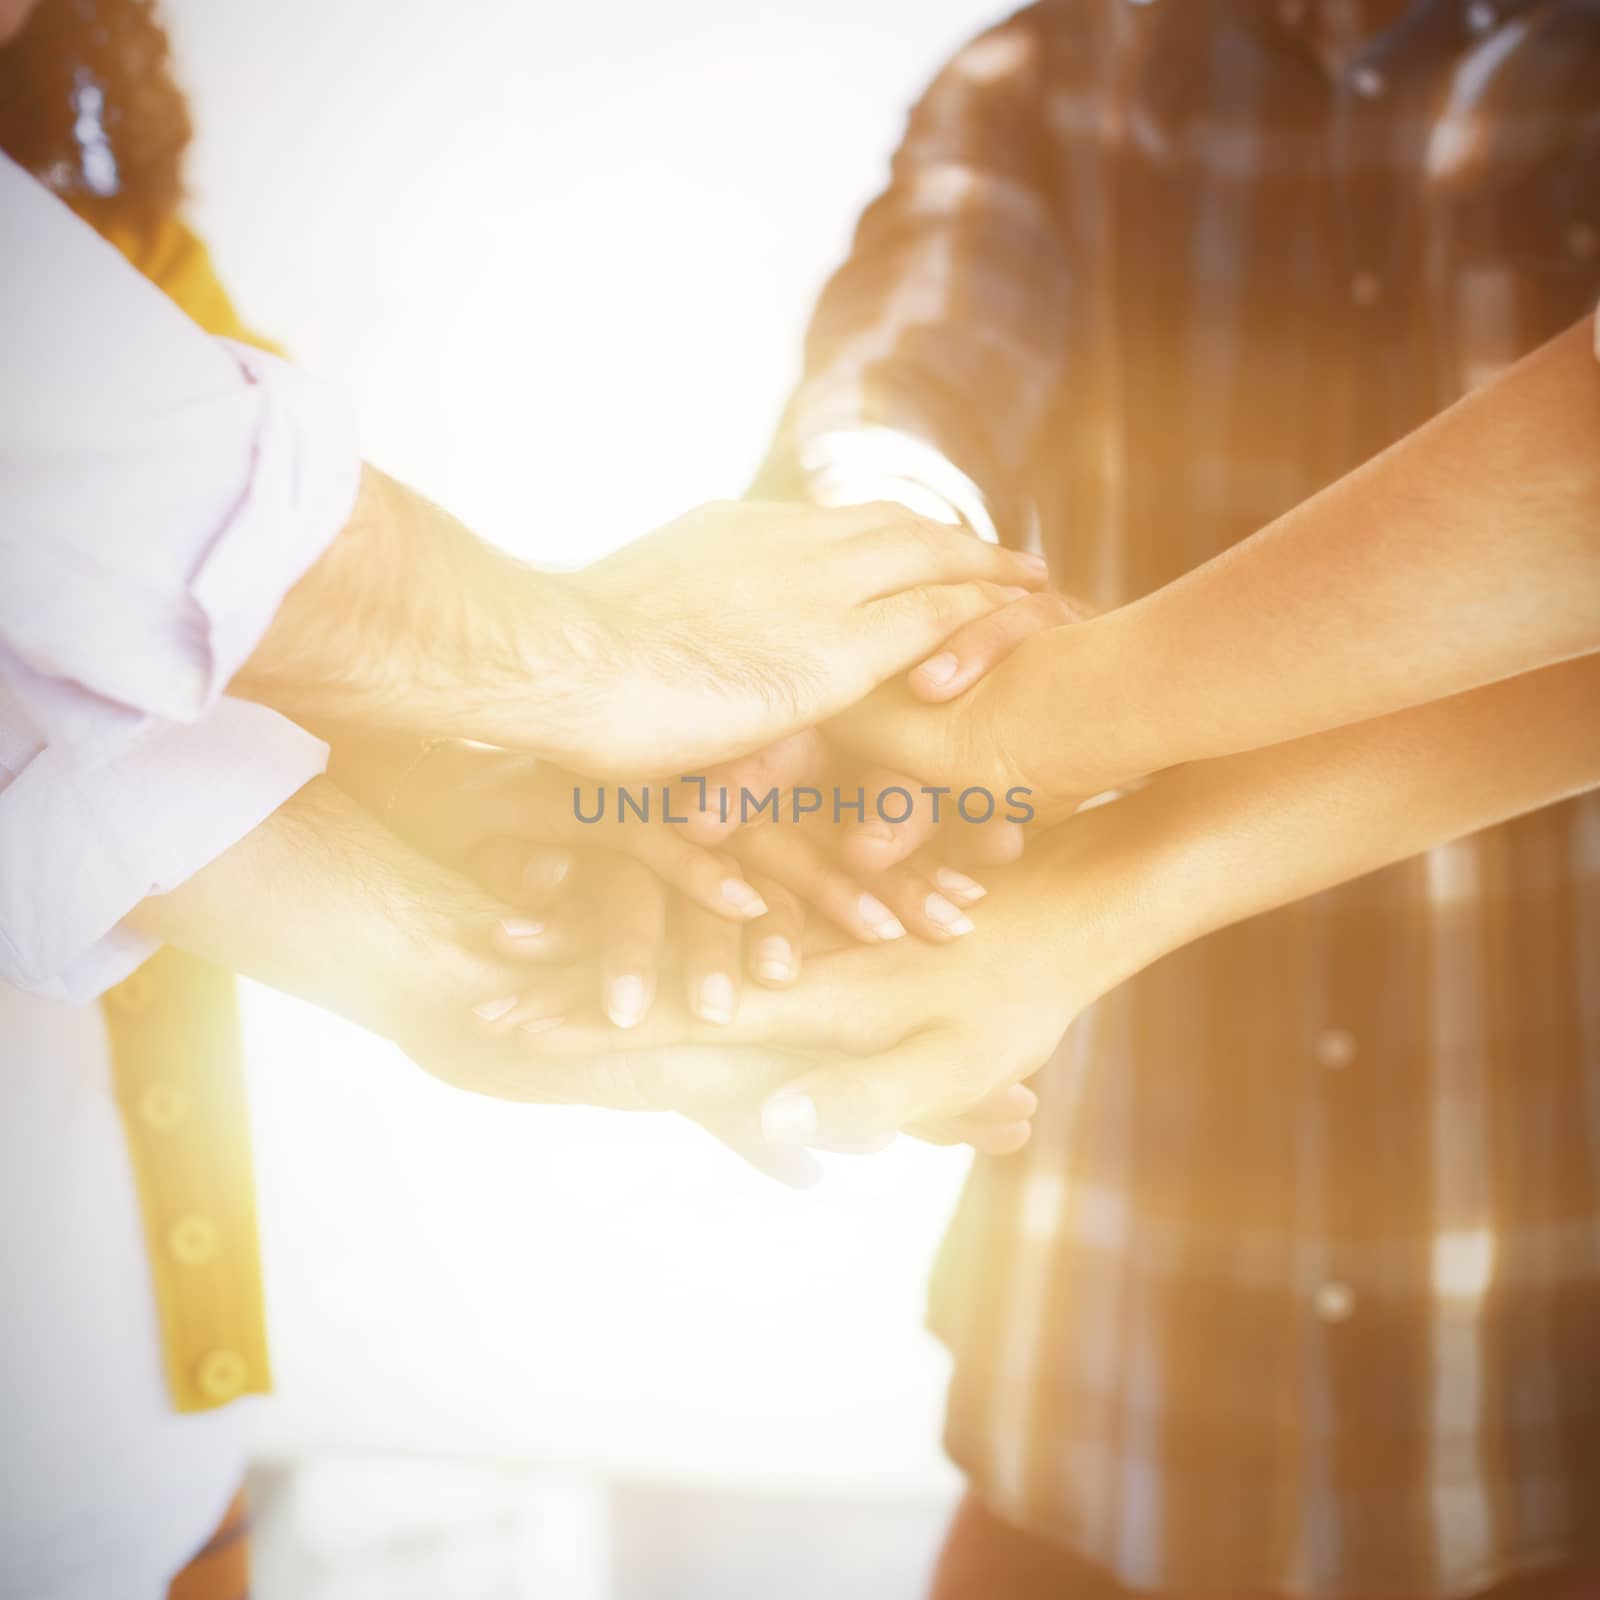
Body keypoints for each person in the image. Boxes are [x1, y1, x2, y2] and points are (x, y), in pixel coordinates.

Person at [0, 4, 1046, 1596]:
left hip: (123, 1411)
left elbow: (85, 685)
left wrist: (469, 907)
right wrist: (602, 665)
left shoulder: (95, 209)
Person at [724, 2, 1600, 1594]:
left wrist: (1017, 737)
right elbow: (898, 379)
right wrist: (888, 586)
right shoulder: (1048, 79)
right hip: (1110, 1375)